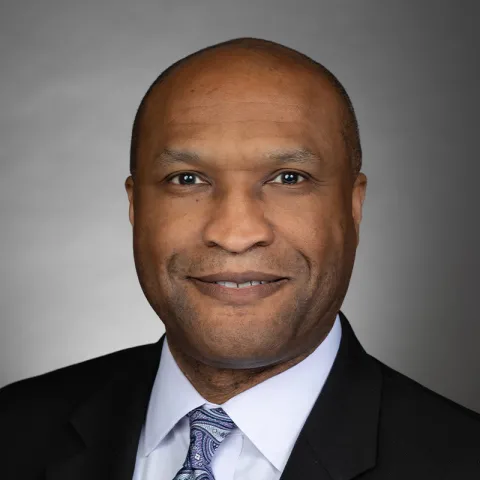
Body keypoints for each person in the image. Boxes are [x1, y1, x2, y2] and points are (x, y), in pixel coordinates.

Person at [1, 37, 479, 480]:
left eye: (288, 178)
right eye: (187, 179)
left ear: (353, 208)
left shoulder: (459, 459)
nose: (234, 234)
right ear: (135, 207)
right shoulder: (14, 431)